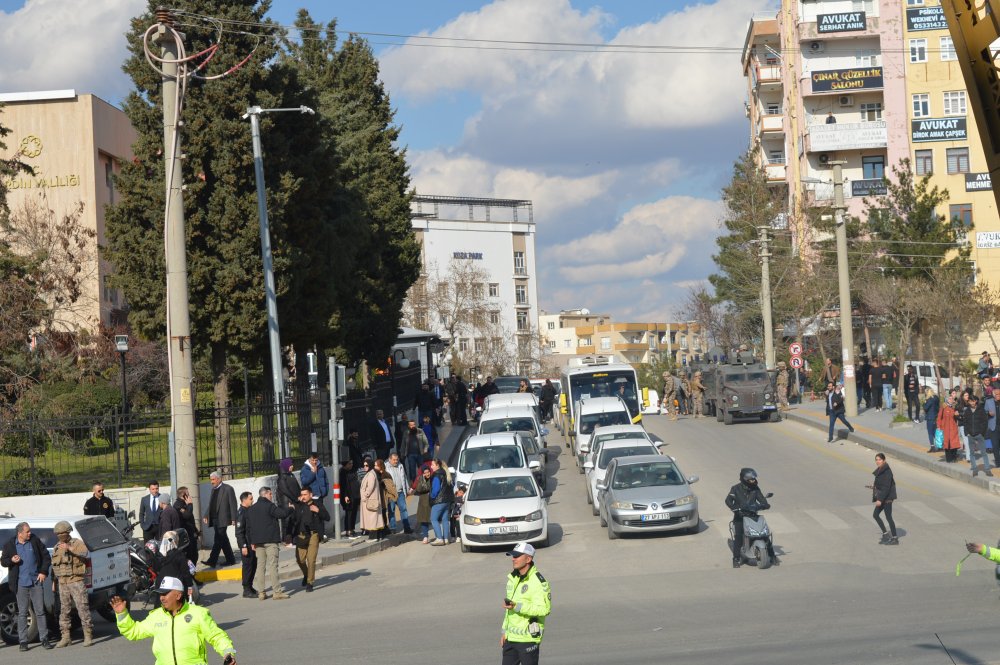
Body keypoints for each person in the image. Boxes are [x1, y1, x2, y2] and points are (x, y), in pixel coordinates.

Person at [111, 576, 237, 665]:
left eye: (165, 594)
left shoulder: (198, 614)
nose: (161, 598)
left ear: (178, 595)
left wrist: (228, 653)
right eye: (160, 594)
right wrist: (122, 614)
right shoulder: (156, 616)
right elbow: (134, 632)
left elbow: (217, 636)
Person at [1, 522, 53, 650]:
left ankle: (44, 639)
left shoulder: (34, 541)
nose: (30, 533)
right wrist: (11, 560)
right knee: (22, 613)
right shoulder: (10, 545)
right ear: (20, 533)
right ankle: (23, 641)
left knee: (40, 611)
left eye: (29, 531)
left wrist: (43, 572)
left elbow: (46, 557)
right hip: (20, 584)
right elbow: (3, 561)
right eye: (27, 531)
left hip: (35, 582)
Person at [500, 542, 551, 665]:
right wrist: (504, 632)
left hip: (528, 639)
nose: (513, 559)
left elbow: (544, 609)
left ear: (528, 559)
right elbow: (509, 611)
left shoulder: (538, 582)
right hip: (510, 639)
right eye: (513, 556)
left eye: (517, 556)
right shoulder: (513, 579)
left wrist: (517, 606)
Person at [245, 486, 292, 600]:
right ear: (266, 494)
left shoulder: (252, 508)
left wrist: (252, 542)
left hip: (258, 542)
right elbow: (282, 514)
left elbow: (249, 527)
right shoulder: (269, 506)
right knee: (273, 566)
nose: (271, 496)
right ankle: (277, 592)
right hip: (270, 541)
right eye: (270, 494)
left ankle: (261, 592)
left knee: (260, 567)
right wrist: (290, 508)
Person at [51, 520, 92, 648]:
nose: (60, 535)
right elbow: (54, 566)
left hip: (76, 580)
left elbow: (86, 554)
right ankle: (65, 637)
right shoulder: (57, 547)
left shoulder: (77, 543)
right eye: (58, 533)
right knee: (64, 611)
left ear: (68, 532)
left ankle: (88, 635)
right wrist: (54, 582)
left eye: (62, 533)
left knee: (82, 608)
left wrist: (70, 548)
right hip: (62, 582)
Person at [724, 468, 770, 568]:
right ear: (744, 479)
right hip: (740, 517)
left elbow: (762, 500)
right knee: (739, 537)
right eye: (751, 479)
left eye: (754, 479)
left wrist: (764, 505)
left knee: (765, 534)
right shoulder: (735, 488)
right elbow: (728, 500)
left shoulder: (755, 489)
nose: (753, 481)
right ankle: (736, 558)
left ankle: (772, 555)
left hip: (753, 515)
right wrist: (735, 508)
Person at [292, 487, 329, 592]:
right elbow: (293, 520)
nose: (303, 497)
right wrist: (294, 506)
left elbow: (327, 517)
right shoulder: (299, 505)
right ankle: (306, 574)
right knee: (300, 560)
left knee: (311, 559)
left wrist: (318, 511)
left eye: (305, 494)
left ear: (310, 495)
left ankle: (310, 582)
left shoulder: (317, 504)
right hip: (301, 536)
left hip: (314, 535)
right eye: (302, 495)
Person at [201, 471, 238, 568]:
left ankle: (212, 560)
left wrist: (234, 518)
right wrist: (206, 515)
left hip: (223, 518)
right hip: (214, 518)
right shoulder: (213, 489)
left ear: (219, 479)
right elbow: (211, 504)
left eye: (213, 479)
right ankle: (231, 559)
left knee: (218, 538)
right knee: (223, 539)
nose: (211, 482)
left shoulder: (228, 489)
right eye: (211, 480)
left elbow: (233, 504)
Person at [868, 453, 898, 545]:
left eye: (879, 459)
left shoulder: (887, 471)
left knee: (888, 517)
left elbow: (886, 487)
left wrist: (879, 500)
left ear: (884, 460)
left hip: (887, 498)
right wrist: (874, 486)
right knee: (875, 515)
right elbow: (881, 483)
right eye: (876, 459)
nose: (877, 461)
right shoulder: (881, 469)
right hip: (883, 497)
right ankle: (885, 534)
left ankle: (895, 538)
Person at [964, 394, 993, 477]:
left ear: (975, 401)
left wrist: (982, 433)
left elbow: (985, 422)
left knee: (984, 453)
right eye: (969, 401)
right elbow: (965, 423)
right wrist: (967, 433)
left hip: (979, 435)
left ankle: (987, 470)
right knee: (972, 453)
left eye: (972, 401)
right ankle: (975, 469)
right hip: (970, 435)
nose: (971, 403)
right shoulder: (967, 411)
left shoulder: (981, 410)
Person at [234, 491, 257, 598]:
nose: (252, 500)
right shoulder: (241, 513)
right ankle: (246, 589)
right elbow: (239, 532)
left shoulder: (248, 510)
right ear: (244, 500)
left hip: (252, 544)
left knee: (253, 565)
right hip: (246, 545)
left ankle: (250, 586)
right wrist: (243, 546)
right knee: (248, 567)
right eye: (250, 499)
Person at [359, 458, 387, 541]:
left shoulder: (371, 474)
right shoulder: (371, 473)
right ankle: (378, 536)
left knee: (372, 519)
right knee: (375, 519)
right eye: (364, 465)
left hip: (370, 500)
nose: (365, 467)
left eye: (367, 465)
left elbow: (370, 487)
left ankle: (373, 537)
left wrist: (365, 495)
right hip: (371, 500)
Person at [429, 458, 454, 545]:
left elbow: (435, 489)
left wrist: (432, 497)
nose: (431, 467)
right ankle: (446, 538)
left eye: (432, 465)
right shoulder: (446, 473)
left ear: (437, 465)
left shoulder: (437, 475)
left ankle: (439, 538)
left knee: (433, 519)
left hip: (439, 501)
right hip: (447, 501)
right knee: (445, 519)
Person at [386, 452, 413, 534]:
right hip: (391, 493)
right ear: (389, 459)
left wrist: (407, 489)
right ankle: (393, 528)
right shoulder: (385, 467)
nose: (396, 461)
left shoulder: (400, 466)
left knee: (403, 510)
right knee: (391, 511)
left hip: (400, 492)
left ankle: (407, 527)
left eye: (397, 460)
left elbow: (404, 478)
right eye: (394, 460)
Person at [276, 457, 301, 544]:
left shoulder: (291, 475)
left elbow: (297, 487)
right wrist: (295, 498)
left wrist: (300, 495)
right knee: (288, 523)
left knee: (295, 521)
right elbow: (285, 490)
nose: (292, 467)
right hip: (287, 503)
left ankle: (295, 540)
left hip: (295, 502)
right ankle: (287, 541)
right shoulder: (282, 478)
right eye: (290, 465)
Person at [174, 487, 200, 565]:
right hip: (185, 535)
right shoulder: (178, 505)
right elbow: (187, 515)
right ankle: (189, 575)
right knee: (190, 556)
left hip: (191, 533)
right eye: (188, 493)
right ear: (184, 495)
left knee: (194, 555)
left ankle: (192, 574)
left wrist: (195, 530)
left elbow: (190, 519)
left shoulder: (184, 503)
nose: (189, 495)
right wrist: (190, 504)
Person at [938, 391, 962, 462]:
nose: (951, 400)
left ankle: (954, 457)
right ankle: (948, 459)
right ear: (947, 400)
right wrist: (938, 426)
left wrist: (957, 415)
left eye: (952, 399)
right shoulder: (944, 407)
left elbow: (959, 417)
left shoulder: (955, 407)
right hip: (945, 428)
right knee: (947, 444)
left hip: (953, 428)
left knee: (954, 444)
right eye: (949, 399)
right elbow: (939, 417)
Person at [340, 459, 361, 538]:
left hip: (354, 495)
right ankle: (348, 530)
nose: (351, 465)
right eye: (349, 464)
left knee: (354, 513)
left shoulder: (352, 471)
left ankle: (352, 529)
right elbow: (343, 486)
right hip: (348, 496)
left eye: (352, 463)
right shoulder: (342, 472)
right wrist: (345, 496)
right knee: (349, 513)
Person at [413, 464, 434, 543]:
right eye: (425, 473)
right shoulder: (420, 479)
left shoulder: (433, 478)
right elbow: (418, 489)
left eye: (428, 472)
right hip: (423, 502)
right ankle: (425, 536)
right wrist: (421, 480)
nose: (427, 474)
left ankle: (440, 536)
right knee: (424, 519)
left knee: (433, 519)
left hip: (432, 501)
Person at [923, 387, 940, 453]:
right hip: (936, 417)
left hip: (930, 418)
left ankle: (932, 447)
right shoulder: (936, 398)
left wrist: (924, 403)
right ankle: (939, 445)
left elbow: (925, 408)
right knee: (935, 432)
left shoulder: (929, 400)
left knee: (930, 433)